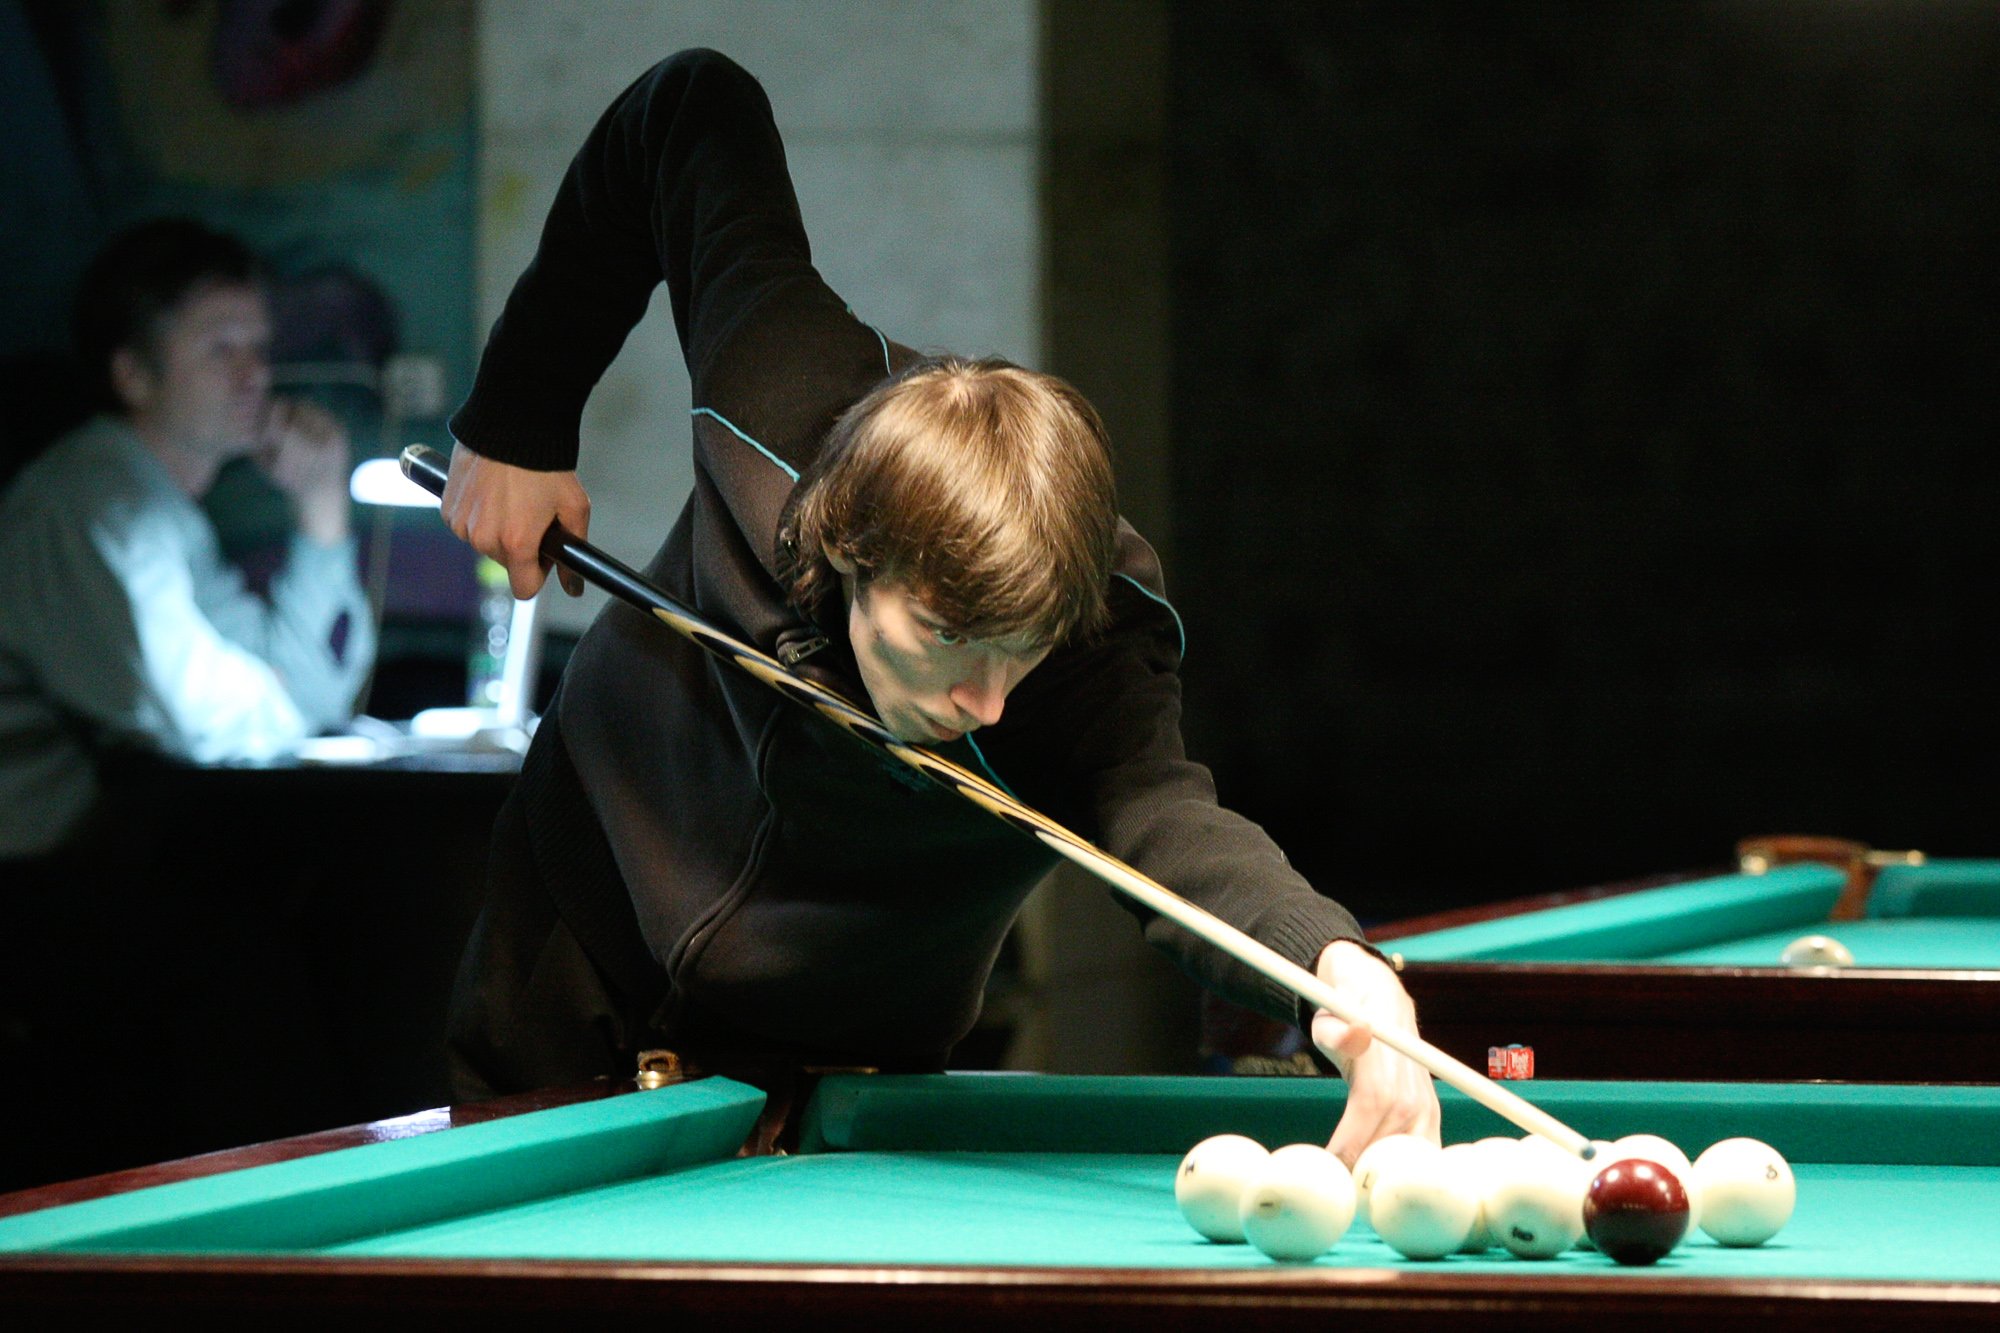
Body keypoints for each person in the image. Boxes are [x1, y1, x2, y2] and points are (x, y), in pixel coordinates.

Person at [439, 49, 1438, 1162]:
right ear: (852, 552)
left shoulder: (1092, 655)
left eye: (1022, 650)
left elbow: (1171, 825)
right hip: (586, 893)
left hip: (853, 1035)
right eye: (947, 638)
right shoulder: (775, 385)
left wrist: (1336, 970)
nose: (986, 703)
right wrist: (519, 418)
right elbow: (689, 109)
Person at [0, 218, 374, 859]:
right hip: (37, 883)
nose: (255, 375)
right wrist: (280, 698)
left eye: (259, 347)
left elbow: (309, 694)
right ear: (133, 376)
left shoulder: (161, 511)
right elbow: (207, 729)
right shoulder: (98, 508)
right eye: (221, 349)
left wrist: (320, 504)